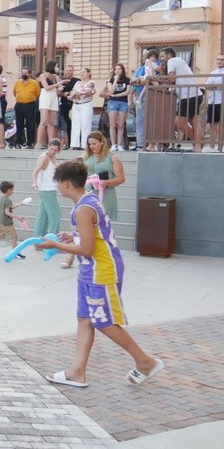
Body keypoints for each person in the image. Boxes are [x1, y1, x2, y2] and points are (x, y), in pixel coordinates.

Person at [38, 160, 163, 389]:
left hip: (101, 271)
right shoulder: (86, 202)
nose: (56, 187)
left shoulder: (84, 208)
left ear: (66, 184)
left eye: (57, 183)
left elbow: (88, 249)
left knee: (103, 321)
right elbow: (91, 240)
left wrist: (54, 246)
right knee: (85, 318)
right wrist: (71, 237)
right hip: (91, 269)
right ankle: (77, 372)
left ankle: (145, 362)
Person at [63, 132, 126, 270]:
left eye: (94, 144)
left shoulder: (112, 158)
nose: (92, 147)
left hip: (105, 194)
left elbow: (121, 178)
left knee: (100, 226)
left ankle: (100, 255)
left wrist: (107, 182)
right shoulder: (85, 157)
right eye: (90, 144)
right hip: (87, 194)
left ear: (102, 142)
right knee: (81, 226)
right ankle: (71, 255)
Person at [164, 47, 203, 153]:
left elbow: (172, 79)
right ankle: (198, 145)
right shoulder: (180, 61)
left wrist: (163, 77)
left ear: (169, 55)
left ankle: (196, 142)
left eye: (162, 56)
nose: (161, 59)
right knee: (194, 120)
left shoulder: (171, 61)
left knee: (179, 122)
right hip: (195, 93)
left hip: (188, 95)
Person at [30, 139, 62, 238]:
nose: (52, 152)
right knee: (55, 215)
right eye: (51, 149)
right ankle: (53, 240)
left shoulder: (53, 157)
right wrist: (34, 183)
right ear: (48, 146)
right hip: (46, 190)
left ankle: (38, 240)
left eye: (55, 150)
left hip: (49, 189)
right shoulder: (44, 158)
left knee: (42, 216)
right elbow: (35, 171)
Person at [102, 65, 131, 151]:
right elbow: (110, 91)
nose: (117, 71)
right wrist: (115, 80)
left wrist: (116, 95)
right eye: (116, 69)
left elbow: (127, 92)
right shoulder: (110, 80)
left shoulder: (127, 80)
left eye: (119, 69)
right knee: (112, 125)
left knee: (121, 125)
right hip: (113, 102)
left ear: (123, 70)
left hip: (123, 102)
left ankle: (119, 145)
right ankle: (113, 144)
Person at [13, 66, 41, 148]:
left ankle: (30, 142)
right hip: (19, 105)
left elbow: (38, 94)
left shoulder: (34, 83)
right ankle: (19, 142)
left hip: (30, 105)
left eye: (26, 73)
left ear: (30, 74)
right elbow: (14, 93)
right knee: (19, 124)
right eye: (23, 73)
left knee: (30, 124)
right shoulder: (17, 83)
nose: (24, 74)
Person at [69, 67, 95, 150]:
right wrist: (76, 93)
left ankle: (85, 145)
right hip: (76, 104)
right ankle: (74, 144)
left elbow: (86, 91)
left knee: (85, 125)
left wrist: (76, 93)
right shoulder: (78, 82)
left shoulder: (91, 82)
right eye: (80, 72)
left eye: (83, 72)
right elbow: (72, 92)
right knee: (75, 124)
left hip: (86, 104)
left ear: (88, 73)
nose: (81, 74)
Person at [36, 62, 61, 149]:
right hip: (45, 97)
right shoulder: (43, 75)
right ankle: (38, 142)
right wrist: (57, 84)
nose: (57, 68)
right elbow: (46, 87)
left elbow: (59, 90)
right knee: (43, 121)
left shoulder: (55, 77)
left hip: (53, 96)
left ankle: (50, 143)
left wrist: (60, 84)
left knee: (51, 122)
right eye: (56, 66)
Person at [58, 65, 80, 149]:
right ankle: (70, 143)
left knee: (75, 124)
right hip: (64, 105)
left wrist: (72, 93)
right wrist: (63, 94)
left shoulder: (77, 81)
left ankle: (76, 143)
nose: (68, 72)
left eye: (70, 70)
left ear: (73, 71)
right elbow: (58, 93)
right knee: (68, 124)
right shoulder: (61, 81)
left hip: (74, 105)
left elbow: (79, 91)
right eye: (67, 70)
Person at [205, 53, 224, 153]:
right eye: (218, 59)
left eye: (222, 59)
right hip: (212, 101)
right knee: (212, 124)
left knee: (222, 124)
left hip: (222, 101)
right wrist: (216, 86)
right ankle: (211, 146)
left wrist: (215, 86)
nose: (220, 61)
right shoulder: (213, 72)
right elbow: (207, 86)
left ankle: (221, 145)